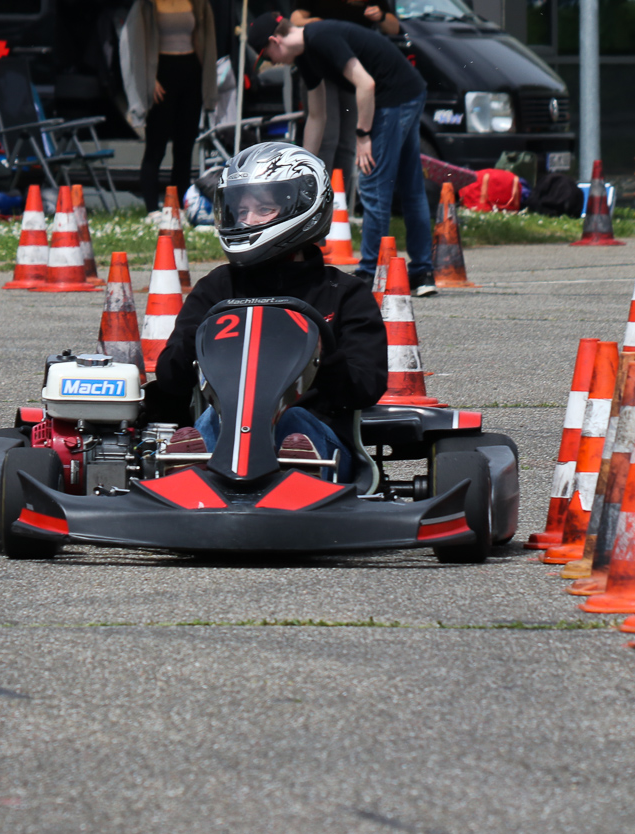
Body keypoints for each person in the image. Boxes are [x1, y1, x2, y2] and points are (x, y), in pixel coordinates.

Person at [146, 142, 387, 483]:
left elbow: (366, 387)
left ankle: (299, 469)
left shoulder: (344, 293)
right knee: (214, 420)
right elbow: (171, 379)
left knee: (292, 422)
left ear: (304, 206)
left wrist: (321, 353)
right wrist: (194, 343)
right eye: (241, 210)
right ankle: (192, 469)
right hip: (227, 430)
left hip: (320, 435)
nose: (247, 220)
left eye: (263, 209)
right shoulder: (217, 288)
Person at [248, 13, 438, 297]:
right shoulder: (306, 57)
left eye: (267, 56)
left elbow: (366, 84)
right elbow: (317, 116)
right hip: (408, 90)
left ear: (275, 41)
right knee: (410, 185)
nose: (272, 63)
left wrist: (363, 136)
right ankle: (422, 273)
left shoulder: (321, 38)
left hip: (394, 96)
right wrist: (302, 164)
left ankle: (369, 272)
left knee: (373, 183)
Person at [286, 1, 400, 209]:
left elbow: (394, 27)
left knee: (347, 142)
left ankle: (339, 204)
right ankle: (316, 202)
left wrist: (381, 16)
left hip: (353, 72)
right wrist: (316, 23)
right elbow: (295, 19)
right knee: (327, 137)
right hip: (322, 67)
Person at [120, 0, 218, 223]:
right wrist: (148, 80)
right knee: (156, 146)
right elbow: (134, 44)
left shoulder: (197, 3)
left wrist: (207, 83)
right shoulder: (146, 5)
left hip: (190, 72)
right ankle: (152, 208)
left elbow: (206, 40)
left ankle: (178, 206)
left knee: (185, 146)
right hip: (161, 73)